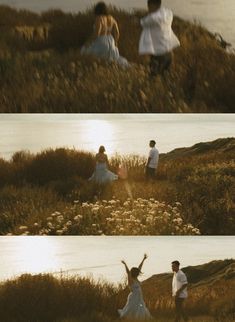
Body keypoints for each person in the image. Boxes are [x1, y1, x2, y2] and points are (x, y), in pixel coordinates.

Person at [139, 0, 180, 77]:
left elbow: (143, 22)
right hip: (169, 53)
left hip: (158, 55)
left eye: (149, 7)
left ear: (152, 5)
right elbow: (163, 13)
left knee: (152, 79)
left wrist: (149, 14)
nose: (148, 9)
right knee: (165, 79)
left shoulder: (152, 18)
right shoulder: (168, 13)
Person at [81, 2, 129, 67]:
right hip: (110, 40)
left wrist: (88, 42)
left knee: (84, 51)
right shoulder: (112, 18)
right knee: (111, 59)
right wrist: (115, 42)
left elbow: (97, 34)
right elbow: (117, 33)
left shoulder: (99, 18)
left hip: (101, 41)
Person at [118, 254, 152, 320]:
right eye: (137, 272)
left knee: (140, 306)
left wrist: (143, 259)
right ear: (134, 273)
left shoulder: (136, 278)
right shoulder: (131, 279)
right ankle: (132, 318)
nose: (139, 273)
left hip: (139, 295)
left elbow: (139, 267)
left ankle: (140, 318)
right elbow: (128, 272)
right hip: (134, 296)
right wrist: (125, 264)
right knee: (132, 307)